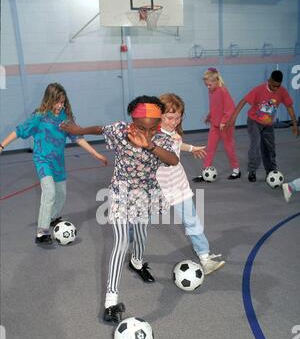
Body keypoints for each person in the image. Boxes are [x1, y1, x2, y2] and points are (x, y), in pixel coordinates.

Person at [60, 96, 179, 324]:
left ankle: (136, 262)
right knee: (122, 241)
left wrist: (151, 145)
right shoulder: (119, 130)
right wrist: (78, 129)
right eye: (142, 128)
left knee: (142, 235)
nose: (148, 133)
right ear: (132, 124)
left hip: (146, 193)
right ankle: (110, 303)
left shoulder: (162, 139)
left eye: (153, 128)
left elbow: (172, 161)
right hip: (120, 192)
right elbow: (99, 128)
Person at [0, 83, 108, 245]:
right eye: (57, 102)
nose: (60, 106)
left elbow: (77, 137)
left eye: (62, 102)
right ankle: (41, 233)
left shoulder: (65, 118)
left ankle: (51, 217)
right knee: (49, 192)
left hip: (58, 162)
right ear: (49, 100)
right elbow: (19, 130)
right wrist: (2, 145)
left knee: (61, 194)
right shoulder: (39, 117)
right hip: (42, 160)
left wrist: (96, 153)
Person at [158, 93, 225, 275]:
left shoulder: (173, 133)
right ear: (159, 115)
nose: (174, 122)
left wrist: (191, 148)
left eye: (178, 118)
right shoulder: (153, 135)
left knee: (192, 221)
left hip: (178, 185)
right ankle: (129, 239)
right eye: (169, 117)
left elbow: (177, 143)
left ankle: (205, 257)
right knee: (138, 222)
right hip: (157, 189)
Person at [226, 70, 300, 182]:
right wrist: (233, 118)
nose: (276, 88)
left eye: (278, 86)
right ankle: (252, 170)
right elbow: (243, 101)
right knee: (255, 145)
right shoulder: (259, 90)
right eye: (274, 85)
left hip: (268, 124)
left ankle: (271, 171)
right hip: (254, 121)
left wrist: (295, 124)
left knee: (270, 148)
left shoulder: (282, 91)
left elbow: (289, 106)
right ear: (269, 81)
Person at [193, 68, 241, 182]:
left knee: (229, 148)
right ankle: (205, 171)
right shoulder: (211, 91)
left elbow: (230, 109)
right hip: (215, 125)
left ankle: (236, 170)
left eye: (209, 85)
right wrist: (209, 116)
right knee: (210, 148)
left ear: (216, 81)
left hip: (225, 126)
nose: (207, 87)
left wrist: (224, 122)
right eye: (206, 85)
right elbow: (216, 106)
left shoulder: (222, 91)